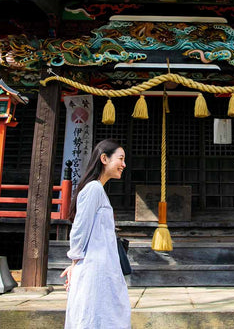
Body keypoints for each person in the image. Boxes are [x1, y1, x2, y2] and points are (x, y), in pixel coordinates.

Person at [60, 139, 131, 329]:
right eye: (121, 159)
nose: (124, 164)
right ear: (104, 159)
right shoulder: (93, 189)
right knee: (94, 316)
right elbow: (80, 229)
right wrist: (75, 262)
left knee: (104, 315)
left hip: (102, 265)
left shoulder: (97, 190)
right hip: (94, 268)